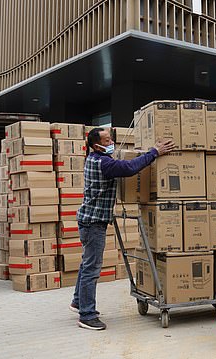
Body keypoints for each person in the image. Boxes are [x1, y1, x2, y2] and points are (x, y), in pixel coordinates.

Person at [72, 127, 175, 330]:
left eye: (111, 138)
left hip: (89, 220)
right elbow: (129, 169)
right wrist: (154, 152)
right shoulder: (103, 163)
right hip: (93, 223)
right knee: (92, 268)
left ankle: (78, 302)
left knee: (87, 264)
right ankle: (87, 315)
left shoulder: (94, 159)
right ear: (96, 145)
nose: (111, 142)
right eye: (106, 140)